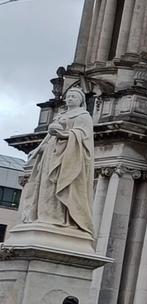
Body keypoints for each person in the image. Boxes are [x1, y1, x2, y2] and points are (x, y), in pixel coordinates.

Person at [19, 82, 96, 239]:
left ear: (81, 100)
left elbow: (84, 136)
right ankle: (44, 216)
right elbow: (48, 139)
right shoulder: (60, 115)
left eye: (73, 97)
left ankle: (58, 217)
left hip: (69, 156)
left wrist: (64, 135)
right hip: (51, 154)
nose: (69, 99)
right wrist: (39, 149)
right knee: (46, 186)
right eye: (68, 97)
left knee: (62, 184)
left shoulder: (83, 116)